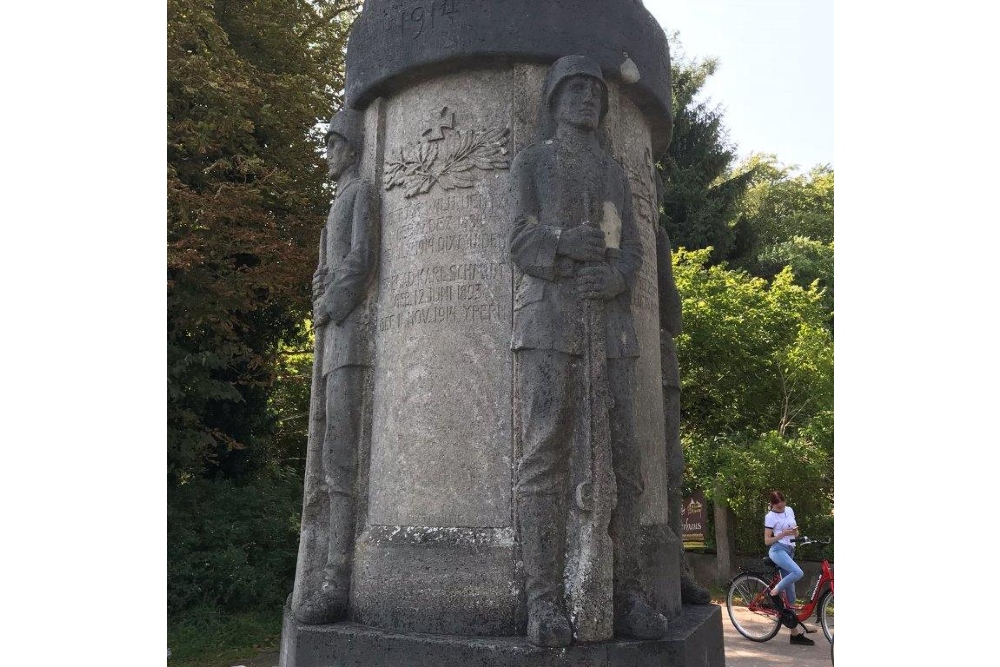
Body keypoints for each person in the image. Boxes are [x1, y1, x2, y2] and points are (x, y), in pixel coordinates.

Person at [508, 54, 667, 647]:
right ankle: (544, 601)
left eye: (594, 92)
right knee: (544, 454)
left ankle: (625, 591)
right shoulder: (532, 163)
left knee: (624, 459)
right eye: (573, 90)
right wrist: (564, 244)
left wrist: (619, 279)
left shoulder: (614, 173)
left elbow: (631, 249)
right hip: (548, 325)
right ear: (553, 101)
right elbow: (517, 240)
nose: (586, 99)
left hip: (612, 328)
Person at [291, 108, 379, 624]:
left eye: (332, 144)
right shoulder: (336, 202)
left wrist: (333, 300)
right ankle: (325, 570)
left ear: (350, 146)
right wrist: (319, 289)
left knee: (342, 459)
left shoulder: (362, 193)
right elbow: (330, 267)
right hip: (332, 336)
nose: (327, 154)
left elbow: (362, 257)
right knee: (328, 458)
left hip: (351, 338)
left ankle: (337, 578)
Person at [763, 490, 815, 646]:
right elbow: (767, 541)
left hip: (790, 550)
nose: (782, 508)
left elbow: (796, 532)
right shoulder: (770, 516)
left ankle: (794, 634)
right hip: (777, 550)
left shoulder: (790, 510)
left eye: (783, 504)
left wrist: (795, 532)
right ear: (772, 505)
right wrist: (782, 534)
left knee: (791, 597)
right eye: (778, 507)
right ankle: (774, 591)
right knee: (798, 572)